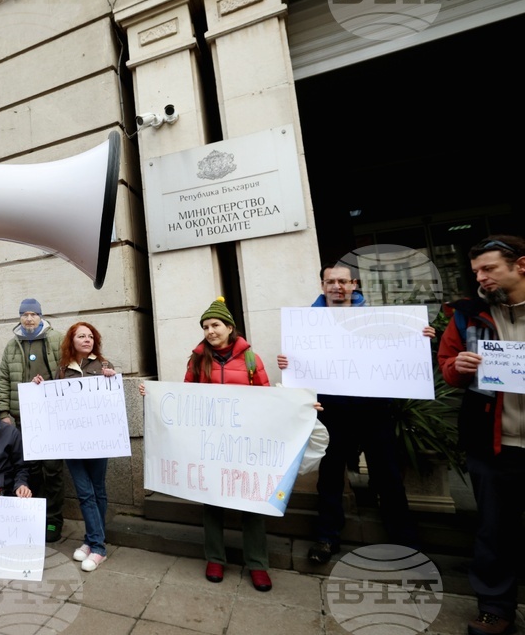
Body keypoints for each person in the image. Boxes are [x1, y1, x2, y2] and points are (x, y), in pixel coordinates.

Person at [277, 262, 422, 565]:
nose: (337, 287)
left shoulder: (375, 320)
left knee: (388, 475)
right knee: (329, 476)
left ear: (354, 284)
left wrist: (418, 338)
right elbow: (303, 364)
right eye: (331, 281)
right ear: (323, 286)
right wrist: (288, 363)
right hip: (331, 410)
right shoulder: (307, 324)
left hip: (373, 409)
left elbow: (395, 352)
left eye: (343, 281)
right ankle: (327, 536)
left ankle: (405, 542)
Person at [140, 297, 275, 591]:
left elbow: (269, 399)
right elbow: (185, 399)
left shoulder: (252, 359)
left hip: (245, 444)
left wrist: (301, 408)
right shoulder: (198, 360)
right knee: (212, 500)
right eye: (205, 326)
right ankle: (215, 558)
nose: (210, 331)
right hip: (211, 444)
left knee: (252, 500)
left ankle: (257, 564)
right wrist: (154, 395)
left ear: (229, 327)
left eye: (215, 325)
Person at [438, 235, 525, 635]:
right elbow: (448, 367)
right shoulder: (466, 315)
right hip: (493, 445)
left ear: (520, 265)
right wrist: (460, 365)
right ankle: (494, 607)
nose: (481, 277)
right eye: (476, 271)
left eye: (488, 268)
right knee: (494, 530)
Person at [39, 321, 116, 572]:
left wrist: (111, 378)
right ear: (71, 341)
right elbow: (55, 402)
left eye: (90, 336)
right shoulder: (63, 369)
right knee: (85, 493)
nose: (87, 339)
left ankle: (96, 545)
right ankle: (95, 542)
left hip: (98, 441)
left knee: (98, 491)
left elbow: (112, 400)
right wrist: (40, 388)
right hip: (72, 443)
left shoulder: (104, 366)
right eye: (81, 336)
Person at [0, 298, 65, 542]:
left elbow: (67, 369)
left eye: (32, 314)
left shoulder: (56, 339)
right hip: (23, 419)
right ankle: (35, 518)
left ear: (40, 316)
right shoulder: (12, 345)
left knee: (53, 470)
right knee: (31, 470)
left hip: (52, 416)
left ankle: (53, 522)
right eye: (24, 314)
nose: (28, 319)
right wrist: (4, 412)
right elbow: (3, 378)